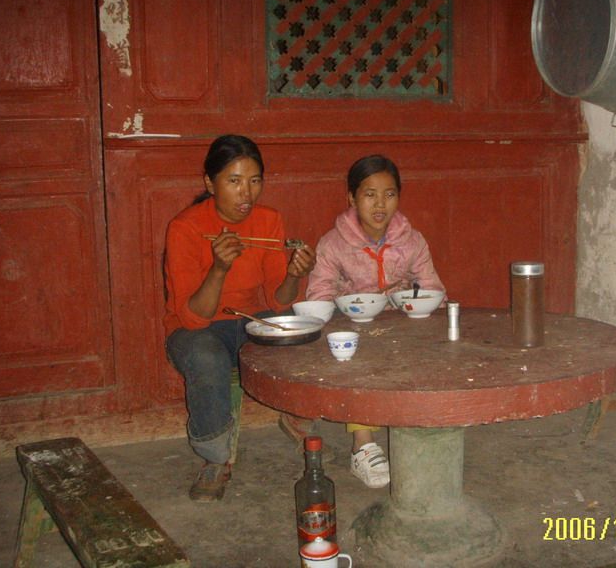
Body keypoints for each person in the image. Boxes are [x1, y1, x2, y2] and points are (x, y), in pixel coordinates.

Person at [164, 134, 316, 502]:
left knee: (297, 326)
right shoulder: (185, 227)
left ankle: (296, 413)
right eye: (234, 181)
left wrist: (295, 274)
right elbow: (195, 318)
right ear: (209, 183)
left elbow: (277, 302)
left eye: (254, 181)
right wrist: (219, 269)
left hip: (246, 321)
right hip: (193, 331)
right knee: (206, 356)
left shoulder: (269, 220)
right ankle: (216, 458)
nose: (246, 193)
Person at [306, 155, 445, 488]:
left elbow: (432, 288)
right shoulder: (333, 244)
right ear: (352, 198)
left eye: (389, 194)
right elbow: (319, 296)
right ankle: (363, 445)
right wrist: (343, 308)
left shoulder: (412, 241)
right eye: (369, 194)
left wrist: (416, 302)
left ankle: (418, 430)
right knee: (355, 356)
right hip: (354, 328)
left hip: (402, 326)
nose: (380, 204)